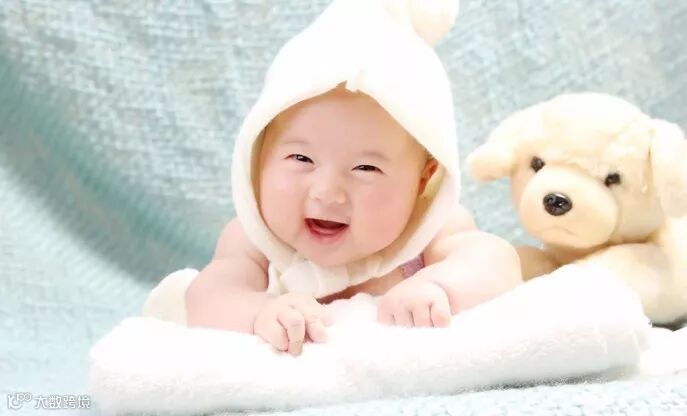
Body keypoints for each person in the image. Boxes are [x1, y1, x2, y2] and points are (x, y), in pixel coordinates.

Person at [183, 0, 522, 355]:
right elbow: (207, 298)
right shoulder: (253, 239)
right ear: (259, 159)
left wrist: (439, 287)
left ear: (423, 181)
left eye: (366, 169)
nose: (327, 193)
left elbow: (497, 262)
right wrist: (259, 312)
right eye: (301, 158)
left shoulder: (428, 229)